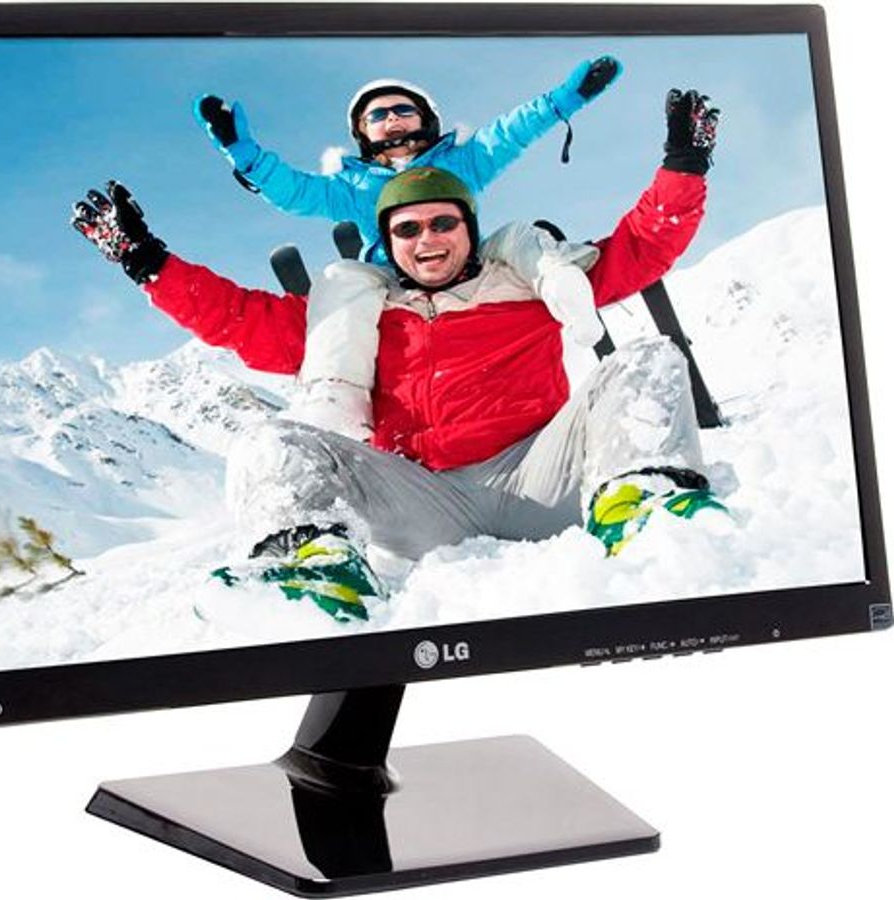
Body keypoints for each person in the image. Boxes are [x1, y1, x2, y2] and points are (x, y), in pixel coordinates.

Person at [72, 88, 723, 622]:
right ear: (388, 242)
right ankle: (318, 573)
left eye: (443, 223)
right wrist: (146, 261)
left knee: (645, 360)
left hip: (537, 476)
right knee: (270, 443)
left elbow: (640, 248)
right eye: (407, 229)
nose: (427, 239)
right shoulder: (360, 313)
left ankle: (646, 515)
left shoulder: (519, 280)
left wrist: (684, 165)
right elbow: (236, 318)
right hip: (423, 502)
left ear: (469, 227)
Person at [194, 62, 622, 438]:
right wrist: (247, 158)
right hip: (393, 280)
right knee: (344, 277)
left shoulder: (462, 161)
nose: (391, 119)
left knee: (519, 236)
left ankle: (566, 289)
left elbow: (511, 132)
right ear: (362, 132)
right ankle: (338, 398)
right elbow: (297, 192)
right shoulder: (354, 185)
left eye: (403, 109)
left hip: (466, 266)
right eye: (377, 115)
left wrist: (563, 101)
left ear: (426, 120)